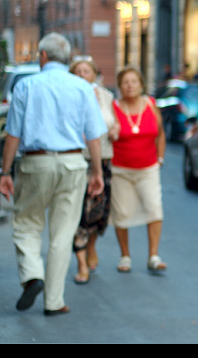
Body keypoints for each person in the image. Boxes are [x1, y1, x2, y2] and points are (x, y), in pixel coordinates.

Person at [0, 33, 106, 316]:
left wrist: (5, 171)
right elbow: (94, 136)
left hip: (36, 163)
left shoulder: (27, 86)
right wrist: (97, 172)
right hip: (72, 163)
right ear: (67, 58)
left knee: (26, 223)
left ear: (42, 56)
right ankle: (54, 301)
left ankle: (33, 275)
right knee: (63, 232)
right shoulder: (83, 87)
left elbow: (12, 135)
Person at [109, 67, 167, 273]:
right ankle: (125, 256)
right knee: (122, 213)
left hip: (148, 168)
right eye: (125, 82)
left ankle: (154, 255)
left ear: (141, 84)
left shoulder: (151, 104)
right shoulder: (114, 107)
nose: (130, 85)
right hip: (121, 169)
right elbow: (105, 133)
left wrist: (160, 158)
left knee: (154, 208)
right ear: (120, 86)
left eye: (134, 81)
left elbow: (160, 134)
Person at [69, 58, 120, 284]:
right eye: (77, 71)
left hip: (104, 159)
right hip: (78, 160)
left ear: (94, 74)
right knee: (78, 211)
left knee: (99, 211)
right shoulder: (68, 95)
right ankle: (81, 262)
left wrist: (116, 129)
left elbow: (114, 121)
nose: (82, 74)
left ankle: (91, 245)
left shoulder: (106, 95)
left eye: (86, 71)